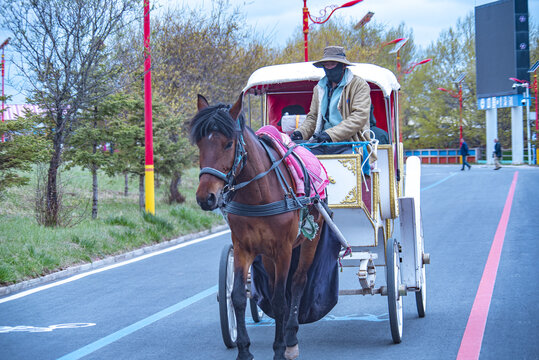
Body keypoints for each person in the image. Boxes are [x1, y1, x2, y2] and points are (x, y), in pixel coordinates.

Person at [290, 46, 372, 156]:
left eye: (332, 64)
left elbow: (359, 117)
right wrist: (301, 132)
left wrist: (330, 134)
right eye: (326, 65)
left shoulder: (359, 85)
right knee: (300, 160)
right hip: (321, 143)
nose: (328, 68)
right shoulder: (319, 88)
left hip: (351, 143)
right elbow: (313, 117)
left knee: (347, 166)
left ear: (342, 65)